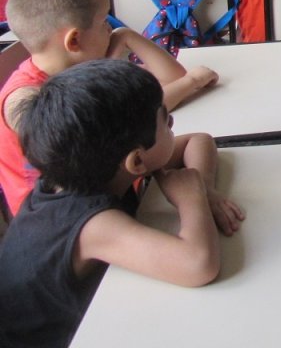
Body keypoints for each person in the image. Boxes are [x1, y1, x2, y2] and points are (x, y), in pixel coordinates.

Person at [0, 60, 238, 347]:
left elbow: (198, 141)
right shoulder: (91, 224)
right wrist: (193, 200)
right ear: (137, 161)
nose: (173, 124)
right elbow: (198, 265)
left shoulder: (84, 170)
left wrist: (203, 184)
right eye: (166, 121)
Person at [0, 0, 222, 217]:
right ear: (74, 40)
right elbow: (119, 122)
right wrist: (191, 82)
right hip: (63, 215)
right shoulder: (25, 100)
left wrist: (126, 36)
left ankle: (200, 190)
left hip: (114, 175)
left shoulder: (83, 64)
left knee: (199, 142)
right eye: (104, 23)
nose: (110, 28)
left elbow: (170, 78)